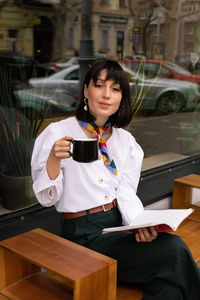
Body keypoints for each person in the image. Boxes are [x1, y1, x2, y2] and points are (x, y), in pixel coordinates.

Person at [31, 59, 200, 300]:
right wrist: (53, 161)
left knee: (168, 279)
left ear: (122, 98)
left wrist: (139, 226)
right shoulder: (58, 133)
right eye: (99, 85)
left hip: (118, 225)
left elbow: (126, 193)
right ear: (86, 90)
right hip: (82, 235)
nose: (106, 95)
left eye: (115, 88)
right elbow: (46, 200)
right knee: (174, 253)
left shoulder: (126, 142)